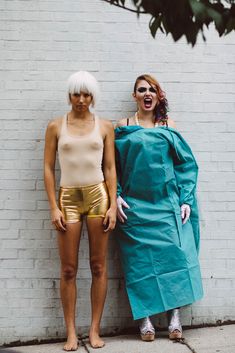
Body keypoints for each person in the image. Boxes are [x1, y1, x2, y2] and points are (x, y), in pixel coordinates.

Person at [115, 74, 203, 341]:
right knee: (139, 263)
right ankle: (145, 319)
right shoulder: (123, 127)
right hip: (135, 207)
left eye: (151, 89)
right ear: (135, 96)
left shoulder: (168, 126)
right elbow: (111, 166)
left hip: (166, 204)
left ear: (158, 95)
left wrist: (186, 199)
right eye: (141, 90)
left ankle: (174, 317)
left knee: (175, 257)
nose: (147, 94)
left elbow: (185, 164)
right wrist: (116, 194)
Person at [44, 71, 117, 351]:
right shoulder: (55, 126)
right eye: (76, 94)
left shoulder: (104, 127)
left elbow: (110, 168)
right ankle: (71, 333)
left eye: (86, 94)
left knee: (98, 266)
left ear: (93, 97)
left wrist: (112, 205)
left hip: (98, 195)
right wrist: (53, 207)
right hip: (68, 198)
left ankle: (95, 330)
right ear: (69, 95)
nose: (81, 99)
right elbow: (48, 169)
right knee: (68, 269)